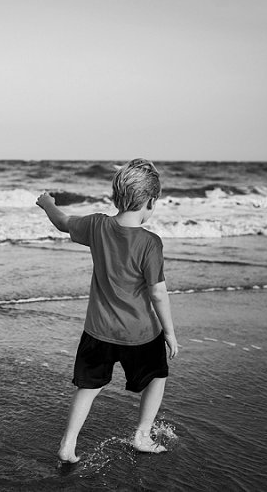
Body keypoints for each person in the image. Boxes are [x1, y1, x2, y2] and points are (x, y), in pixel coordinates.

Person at [36, 158, 178, 463]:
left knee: (88, 388)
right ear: (151, 202)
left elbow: (62, 222)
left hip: (97, 330)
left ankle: (68, 444)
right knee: (157, 376)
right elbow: (157, 292)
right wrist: (169, 332)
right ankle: (142, 435)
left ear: (115, 197)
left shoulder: (97, 225)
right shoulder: (150, 243)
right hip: (139, 333)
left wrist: (47, 203)